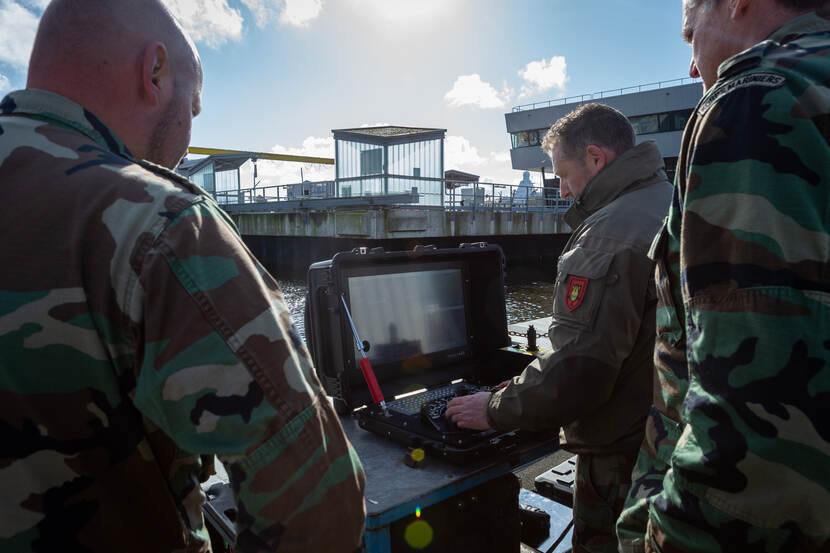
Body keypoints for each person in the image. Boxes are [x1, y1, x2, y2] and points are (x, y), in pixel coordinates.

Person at [0, 1, 366, 552]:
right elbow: (317, 504)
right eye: (193, 106)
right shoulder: (159, 221)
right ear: (154, 73)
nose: (190, 136)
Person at [616, 1, 830, 551]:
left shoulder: (760, 97)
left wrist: (670, 539)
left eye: (690, 34)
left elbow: (758, 435)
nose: (691, 66)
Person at [445, 103, 672, 553]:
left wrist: (495, 408)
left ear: (595, 157)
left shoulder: (608, 234)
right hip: (666, 441)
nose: (564, 191)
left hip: (624, 461)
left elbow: (580, 369)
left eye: (564, 175)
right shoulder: (671, 199)